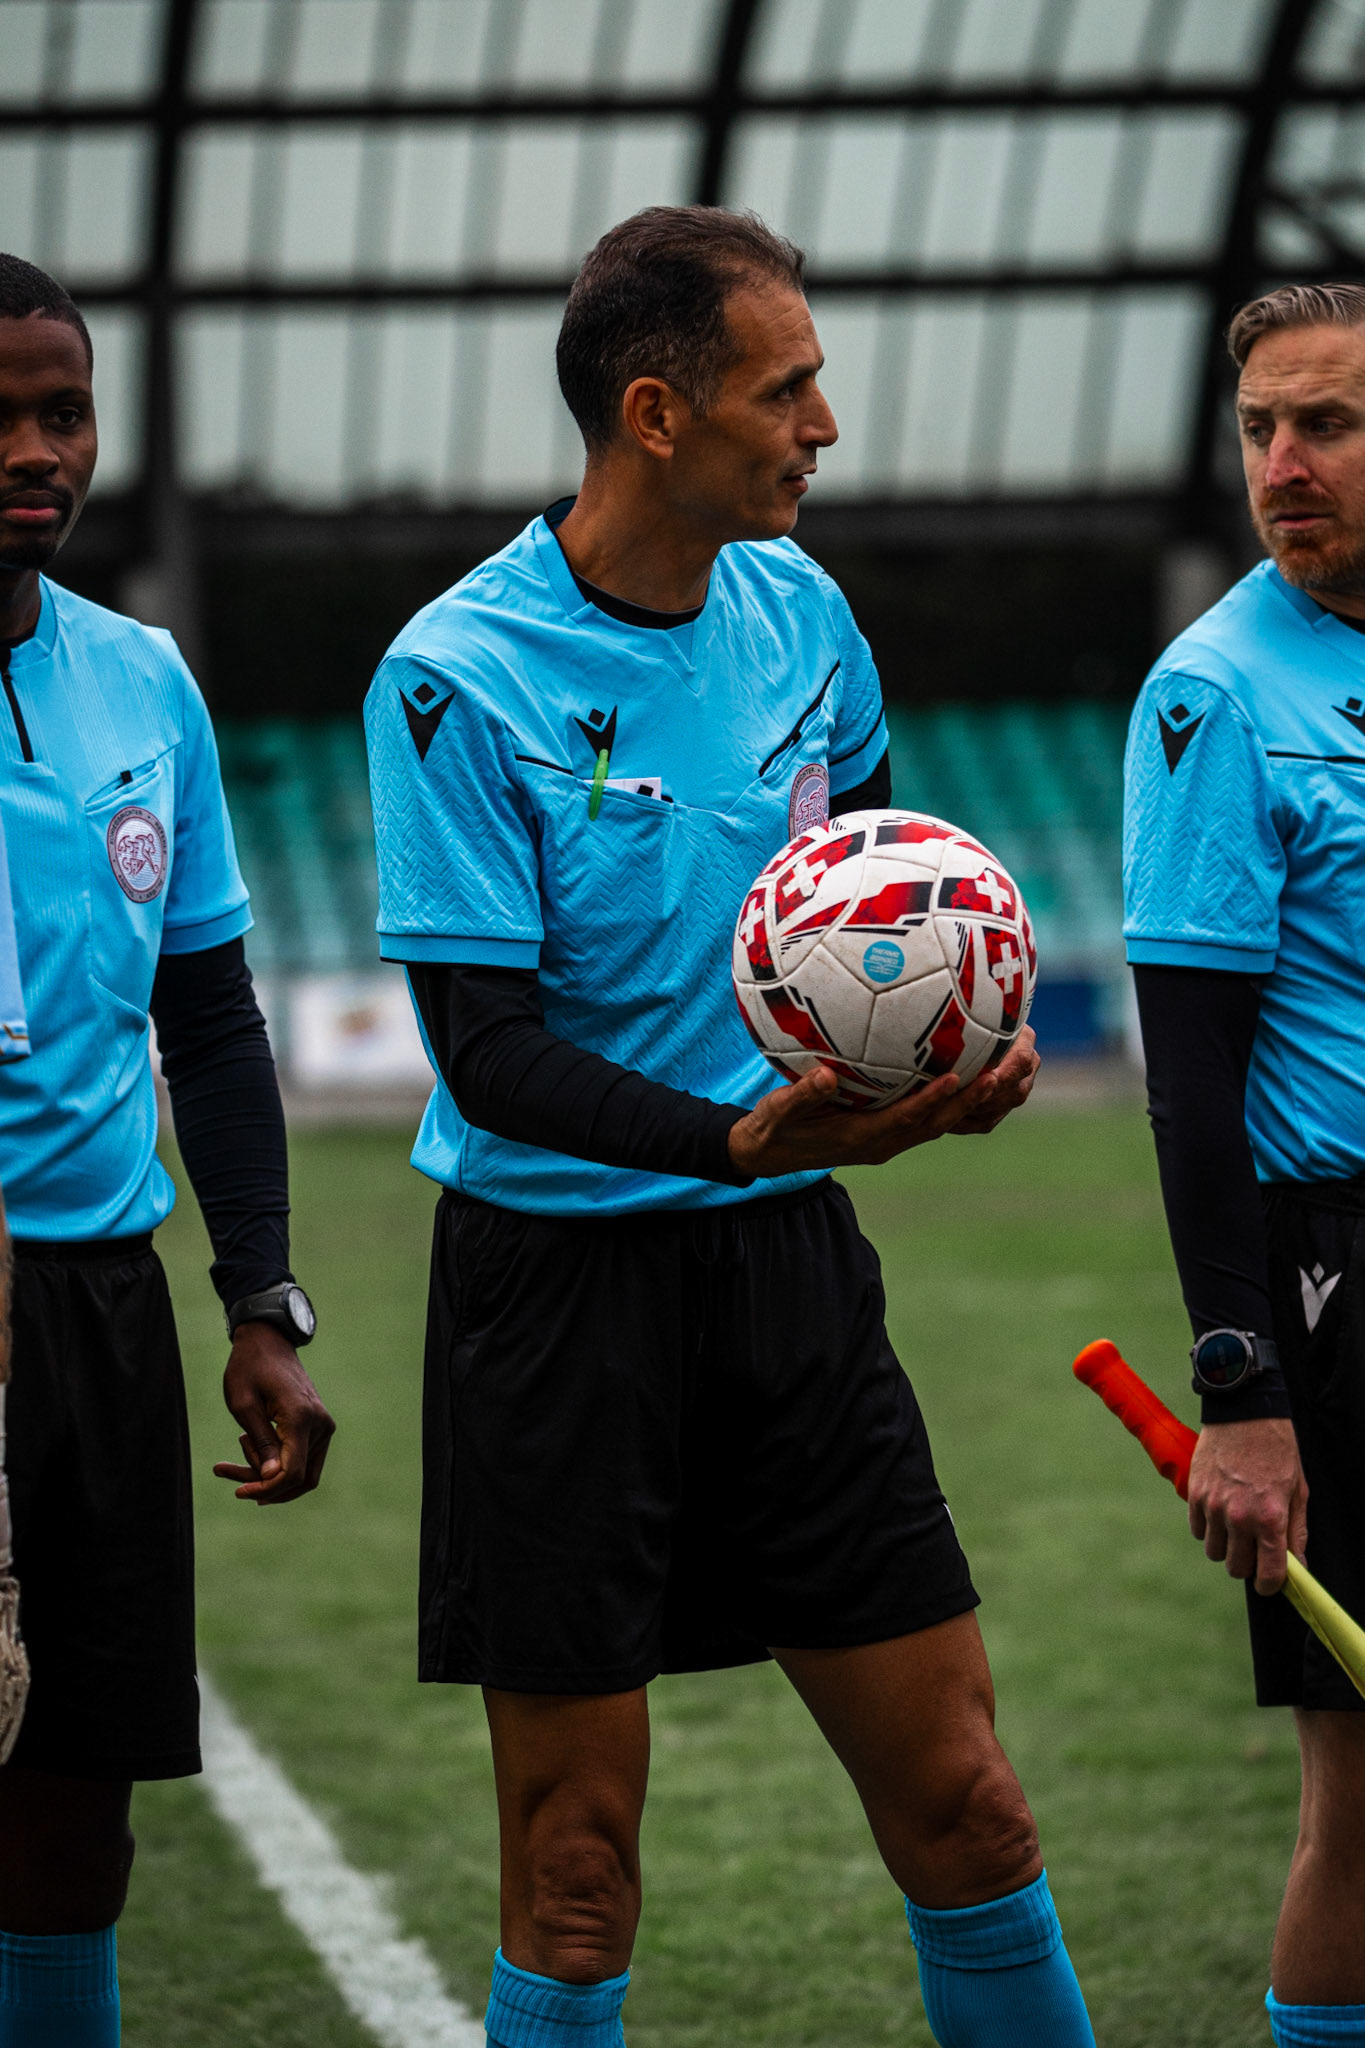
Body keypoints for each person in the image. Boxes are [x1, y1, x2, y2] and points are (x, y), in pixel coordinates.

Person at [366, 206, 1094, 2048]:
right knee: (578, 1875)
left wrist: (949, 1046)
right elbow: (484, 1053)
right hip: (553, 1298)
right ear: (655, 415)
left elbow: (880, 880)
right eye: (790, 388)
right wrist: (737, 1140)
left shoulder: (804, 611)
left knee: (971, 1809)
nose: (824, 425)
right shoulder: (458, 673)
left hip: (785, 1276)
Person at [0, 254, 334, 2048]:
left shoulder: (143, 681)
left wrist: (258, 1301)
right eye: (1, 415)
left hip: (102, 1312)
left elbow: (208, 1021)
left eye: (62, 411)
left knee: (76, 1803)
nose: (37, 451)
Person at [1124, 280, 1365, 2048]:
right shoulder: (1214, 692)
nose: (1283, 464)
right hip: (1335, 1271)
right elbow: (1189, 1086)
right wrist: (1240, 1383)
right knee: (1361, 1808)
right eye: (1261, 427)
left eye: (1329, 424)